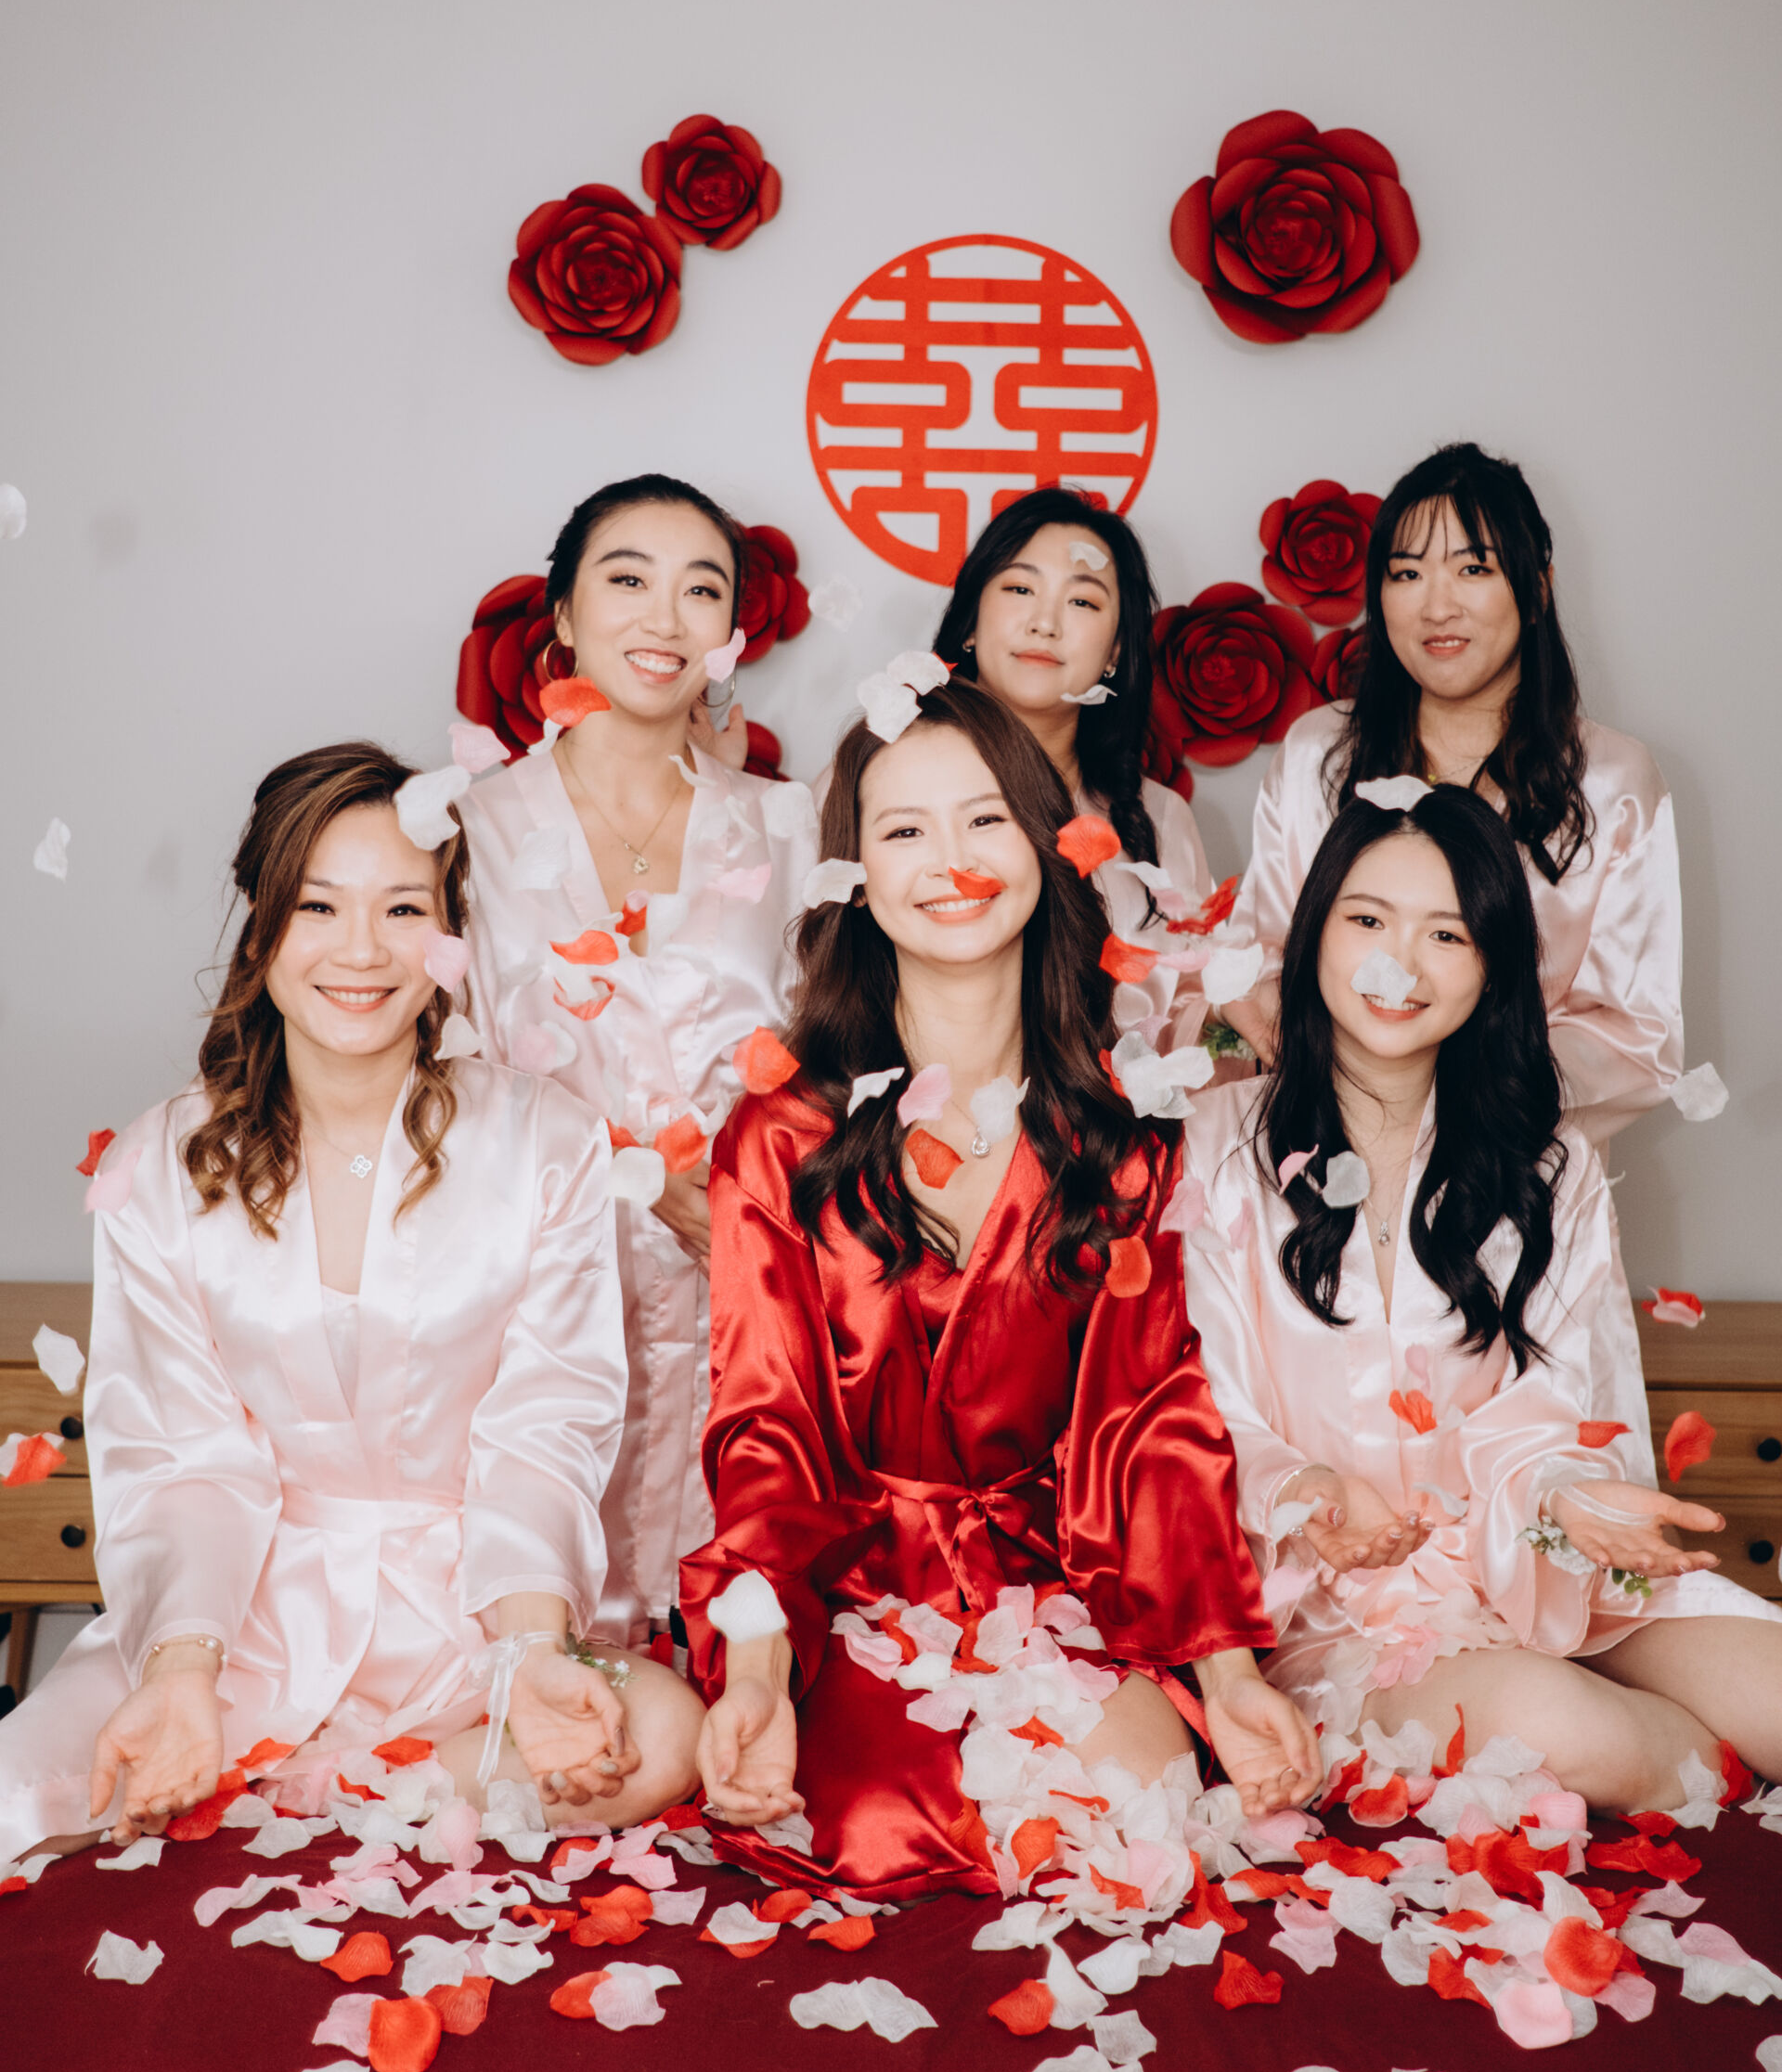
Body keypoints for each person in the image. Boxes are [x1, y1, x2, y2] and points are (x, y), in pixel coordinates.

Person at [0, 743, 701, 1866]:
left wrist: (530, 1652)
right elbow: (183, 1460)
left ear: (451, 930)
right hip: (241, 1621)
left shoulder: (548, 1142)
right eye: (319, 906)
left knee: (658, 1735)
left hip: (472, 1613)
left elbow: (544, 1424)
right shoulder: (159, 1167)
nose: (362, 951)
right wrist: (182, 1671)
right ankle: (285, 1778)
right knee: (21, 1794)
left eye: (403, 908)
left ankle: (330, 1796)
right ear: (261, 926)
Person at [680, 675, 1318, 1903]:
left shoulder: (1128, 1129)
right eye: (903, 830)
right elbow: (766, 1434)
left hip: (1062, 1577)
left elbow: (1153, 1421)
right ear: (852, 873)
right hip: (848, 1590)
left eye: (985, 819)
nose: (952, 862)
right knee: (868, 1829)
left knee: (1135, 1816)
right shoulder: (778, 1136)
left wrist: (1230, 1675)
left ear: (1043, 841)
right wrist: (755, 1672)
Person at [1181, 787, 1780, 1806]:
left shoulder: (1549, 1165)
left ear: (1493, 964)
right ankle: (1688, 1758)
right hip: (1334, 1613)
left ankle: (1690, 1748)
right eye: (1368, 920)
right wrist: (1308, 1492)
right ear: (1314, 931)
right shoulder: (1212, 1148)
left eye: (1447, 934)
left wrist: (1569, 1499)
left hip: (1535, 1568)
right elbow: (1198, 1412)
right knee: (1564, 1729)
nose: (1399, 966)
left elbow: (1558, 1408)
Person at [460, 476, 819, 1650]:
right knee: (541, 1656)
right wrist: (635, 1177)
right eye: (628, 580)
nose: (664, 618)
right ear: (564, 613)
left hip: (745, 1307)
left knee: (729, 1654)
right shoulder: (470, 833)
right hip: (532, 1310)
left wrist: (747, 1200)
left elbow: (842, 1056)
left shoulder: (791, 827)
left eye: (700, 589)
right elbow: (443, 1077)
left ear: (731, 632)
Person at [1225, 443, 1683, 1146]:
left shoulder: (1613, 781)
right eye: (1407, 573)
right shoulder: (1319, 753)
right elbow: (1266, 952)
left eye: (1474, 569)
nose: (1438, 607)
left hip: (1512, 1165)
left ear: (1537, 588)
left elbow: (1634, 1037)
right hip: (1325, 1150)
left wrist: (1451, 1089)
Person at [932, 490, 1219, 1038]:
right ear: (970, 621)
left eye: (1082, 602)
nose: (1045, 624)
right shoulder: (879, 785)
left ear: (1115, 651)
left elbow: (1195, 1016)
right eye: (1020, 589)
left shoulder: (1161, 820)